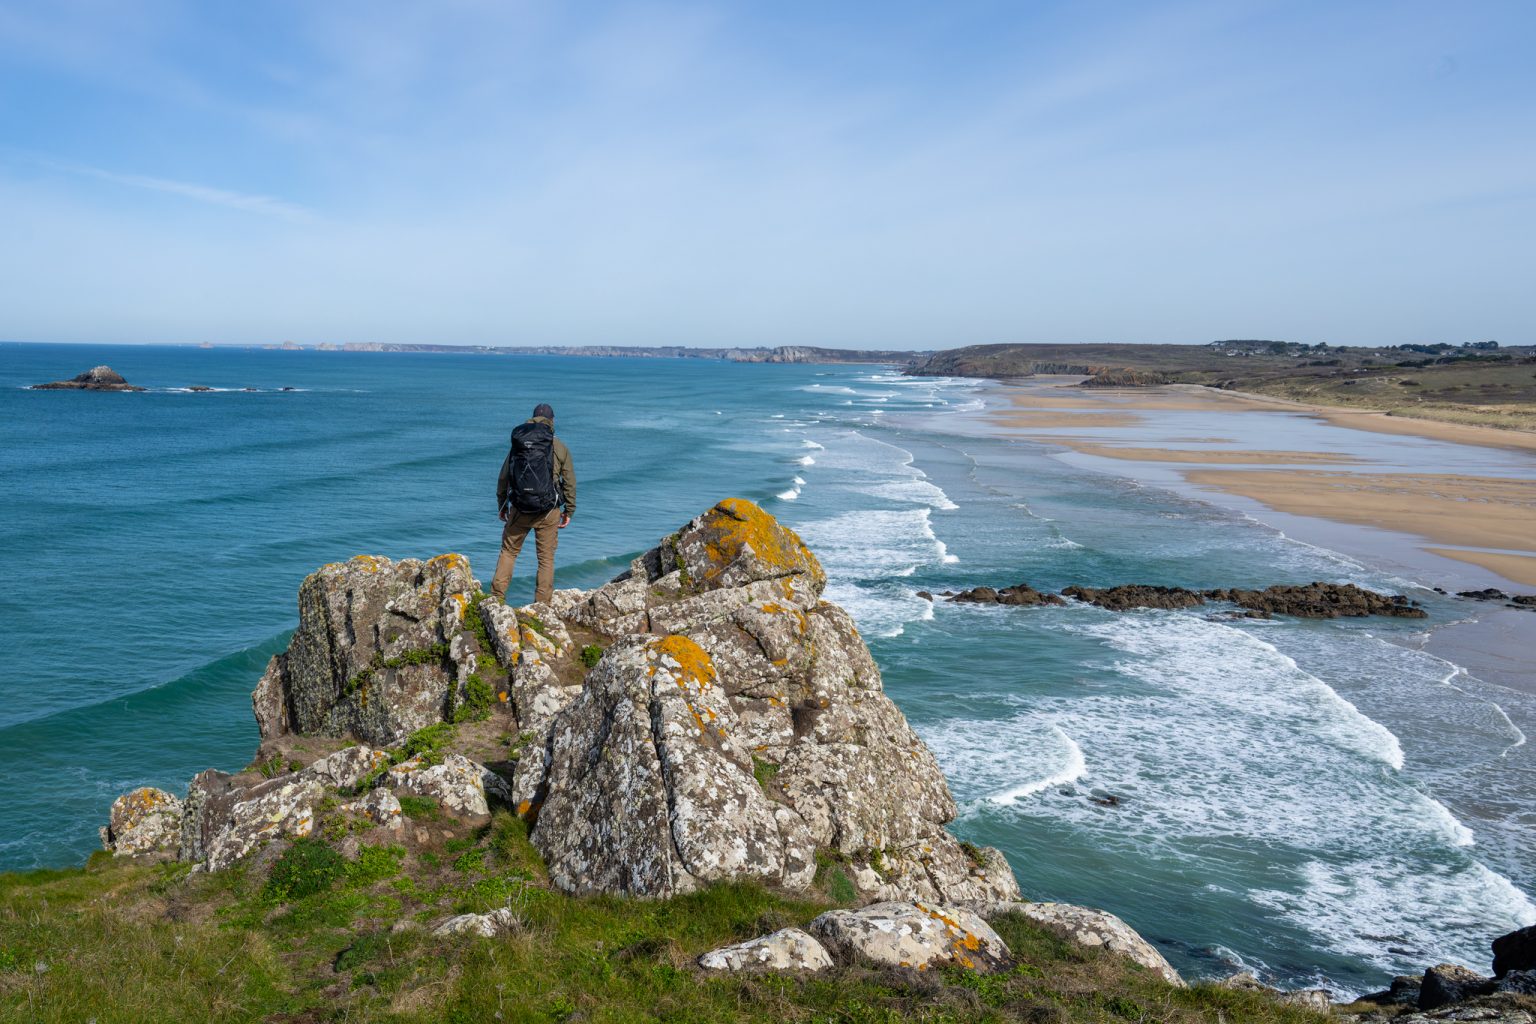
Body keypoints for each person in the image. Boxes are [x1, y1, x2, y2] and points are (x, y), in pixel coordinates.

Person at [491, 402, 576, 605]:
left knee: (509, 552)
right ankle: (542, 606)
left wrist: (502, 505)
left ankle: (496, 599)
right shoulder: (560, 447)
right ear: (552, 421)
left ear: (532, 419)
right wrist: (569, 510)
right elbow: (569, 481)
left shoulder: (519, 445)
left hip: (520, 509)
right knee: (545, 559)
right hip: (548, 511)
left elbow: (504, 477)